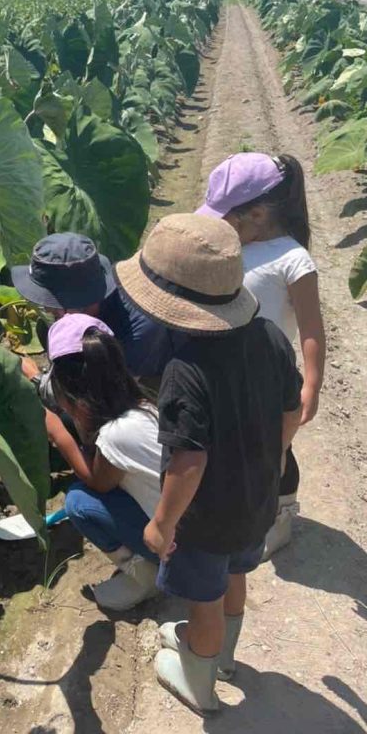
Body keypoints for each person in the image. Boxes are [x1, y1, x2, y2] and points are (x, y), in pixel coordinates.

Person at [113, 213, 302, 715]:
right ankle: (225, 658)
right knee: (236, 573)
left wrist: (162, 523)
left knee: (203, 599)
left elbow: (189, 461)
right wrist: (275, 457)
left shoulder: (185, 371)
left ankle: (199, 679)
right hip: (256, 501)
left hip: (206, 519)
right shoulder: (269, 337)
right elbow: (292, 409)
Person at [196, 152, 325, 555]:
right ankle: (251, 502)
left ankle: (282, 511)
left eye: (228, 217)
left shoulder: (293, 259)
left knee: (276, 448)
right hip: (227, 368)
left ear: (257, 215)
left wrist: (313, 386)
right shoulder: (232, 245)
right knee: (241, 444)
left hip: (269, 374)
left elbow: (311, 329)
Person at [43, 313, 162, 610]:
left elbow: (98, 481)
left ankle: (145, 576)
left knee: (80, 502)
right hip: (200, 529)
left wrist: (60, 435)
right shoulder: (143, 407)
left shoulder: (115, 436)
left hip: (180, 547)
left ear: (73, 396)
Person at [11, 232, 183, 394]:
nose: (47, 308)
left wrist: (37, 379)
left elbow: (108, 400)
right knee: (46, 329)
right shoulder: (94, 279)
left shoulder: (137, 331)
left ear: (80, 301)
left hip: (152, 374)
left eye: (53, 303)